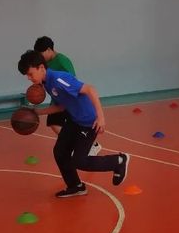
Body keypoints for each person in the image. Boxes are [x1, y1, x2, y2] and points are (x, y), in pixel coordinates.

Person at [18, 50, 129, 198]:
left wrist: (101, 117)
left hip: (88, 122)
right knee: (60, 152)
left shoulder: (58, 79)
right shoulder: (46, 83)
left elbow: (90, 89)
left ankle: (118, 161)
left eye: (30, 74)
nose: (29, 78)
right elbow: (62, 106)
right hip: (74, 120)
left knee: (80, 161)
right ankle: (75, 186)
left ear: (41, 68)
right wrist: (38, 112)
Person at [34, 35, 100, 156]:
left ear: (49, 50)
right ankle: (79, 144)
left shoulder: (62, 61)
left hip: (69, 99)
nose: (40, 57)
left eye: (41, 54)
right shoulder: (45, 63)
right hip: (58, 100)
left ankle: (89, 145)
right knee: (54, 123)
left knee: (61, 124)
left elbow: (72, 80)